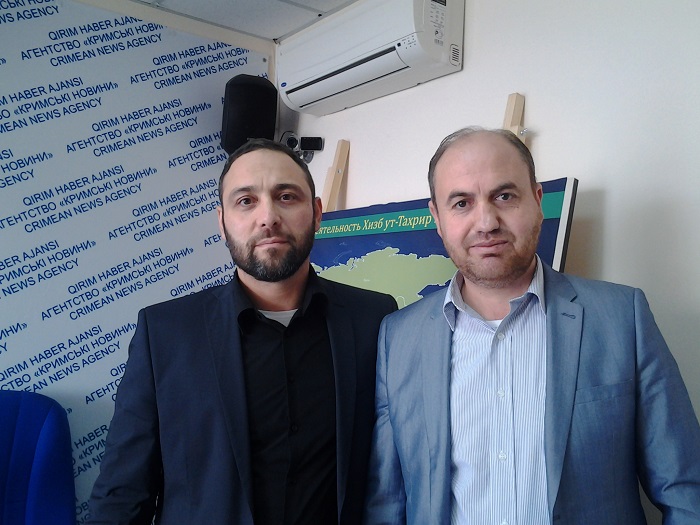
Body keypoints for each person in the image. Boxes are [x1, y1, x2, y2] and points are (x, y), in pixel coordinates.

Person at [363, 127, 700, 524]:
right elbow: (386, 504)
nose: (486, 222)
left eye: (504, 196)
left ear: (538, 202)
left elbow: (685, 491)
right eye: (461, 203)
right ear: (437, 217)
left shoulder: (623, 317)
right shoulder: (398, 338)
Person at [88, 138, 397, 524]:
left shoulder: (374, 319)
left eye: (286, 197)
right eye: (246, 201)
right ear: (222, 222)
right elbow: (122, 495)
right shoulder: (165, 335)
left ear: (317, 213)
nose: (268, 217)